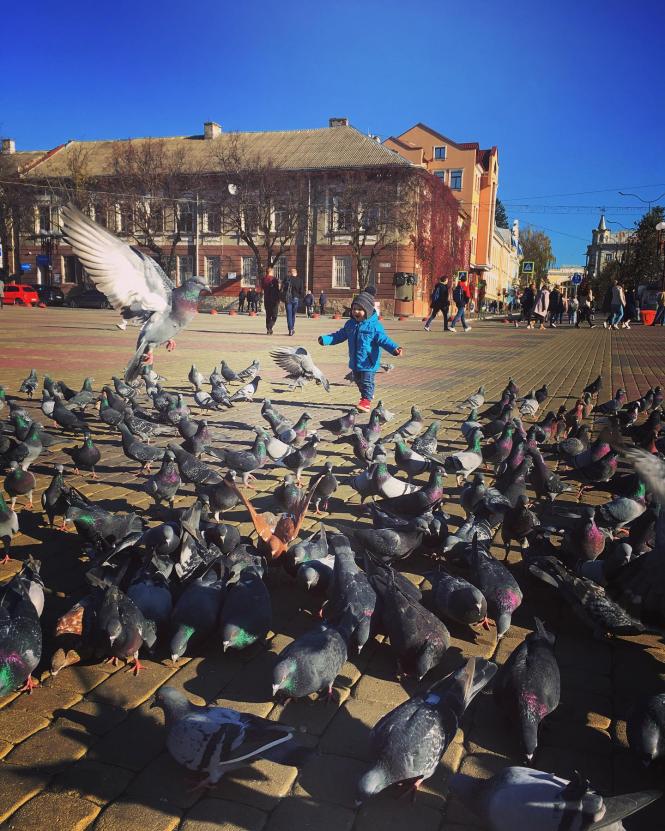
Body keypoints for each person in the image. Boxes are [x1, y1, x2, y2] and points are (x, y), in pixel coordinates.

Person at [318, 288, 402, 412]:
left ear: (367, 310)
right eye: (354, 309)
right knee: (357, 380)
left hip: (368, 362)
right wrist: (325, 340)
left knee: (367, 381)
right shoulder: (350, 324)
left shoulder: (374, 326)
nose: (356, 311)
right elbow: (339, 335)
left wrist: (394, 348)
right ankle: (367, 395)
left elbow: (384, 340)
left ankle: (366, 401)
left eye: (360, 309)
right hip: (355, 361)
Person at [281, 267, 302, 336]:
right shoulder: (299, 280)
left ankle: (290, 329)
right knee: (293, 314)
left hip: (288, 299)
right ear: (296, 273)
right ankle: (292, 328)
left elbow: (282, 288)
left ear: (291, 273)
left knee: (289, 315)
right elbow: (301, 291)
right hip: (296, 299)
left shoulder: (287, 279)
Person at [262, 269, 280, 335]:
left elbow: (263, 288)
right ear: (271, 272)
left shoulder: (263, 279)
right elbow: (277, 290)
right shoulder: (274, 279)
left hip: (266, 299)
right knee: (274, 315)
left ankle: (268, 329)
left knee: (268, 315)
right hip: (274, 299)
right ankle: (270, 327)